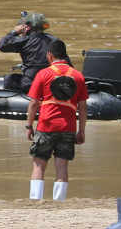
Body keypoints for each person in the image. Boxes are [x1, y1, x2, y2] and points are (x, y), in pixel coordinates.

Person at [25, 40, 88, 201]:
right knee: (62, 166)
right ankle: (59, 201)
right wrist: (81, 131)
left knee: (39, 164)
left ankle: (36, 200)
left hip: (46, 125)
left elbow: (33, 103)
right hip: (68, 127)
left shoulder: (43, 74)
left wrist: (29, 126)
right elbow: (83, 107)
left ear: (50, 55)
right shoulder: (78, 76)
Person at [0, 12, 71, 93]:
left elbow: (2, 45)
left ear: (27, 28)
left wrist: (14, 31)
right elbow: (68, 64)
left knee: (9, 79)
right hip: (53, 84)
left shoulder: (26, 41)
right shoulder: (55, 41)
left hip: (30, 84)